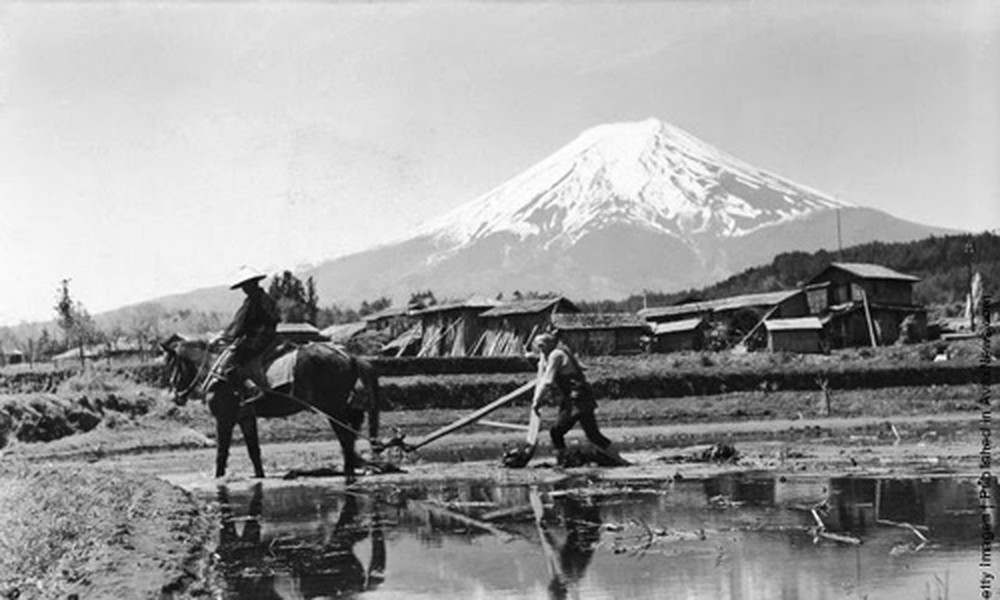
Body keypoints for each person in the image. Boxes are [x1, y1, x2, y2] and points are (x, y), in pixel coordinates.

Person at [529, 333, 616, 465]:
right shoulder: (561, 352)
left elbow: (547, 381)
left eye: (542, 345)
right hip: (581, 397)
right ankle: (619, 458)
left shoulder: (555, 355)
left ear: (551, 343)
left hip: (576, 398)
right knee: (593, 435)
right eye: (538, 346)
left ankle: (562, 460)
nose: (540, 349)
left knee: (556, 432)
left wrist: (536, 400)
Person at [213, 266, 280, 400]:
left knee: (230, 363)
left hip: (258, 339)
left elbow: (240, 324)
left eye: (245, 285)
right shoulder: (265, 298)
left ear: (251, 284)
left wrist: (224, 336)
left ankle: (253, 389)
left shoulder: (253, 301)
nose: (244, 289)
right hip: (270, 337)